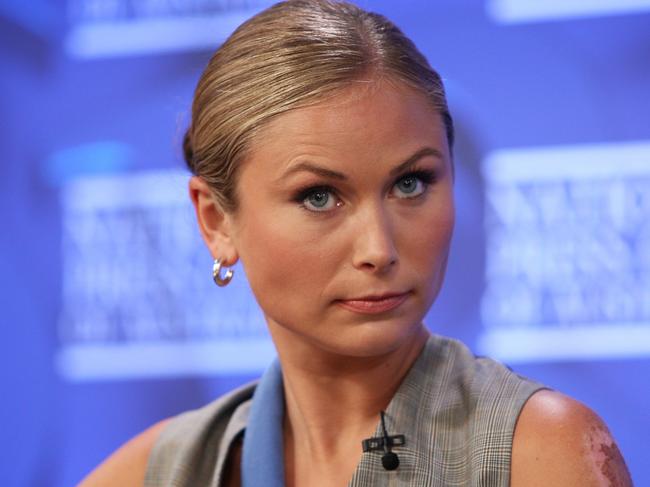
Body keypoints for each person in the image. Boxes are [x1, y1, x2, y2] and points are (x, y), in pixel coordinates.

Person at [78, 1, 633, 486]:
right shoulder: (163, 470)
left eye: (411, 184)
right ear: (217, 221)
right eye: (319, 196)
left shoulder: (539, 453)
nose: (379, 248)